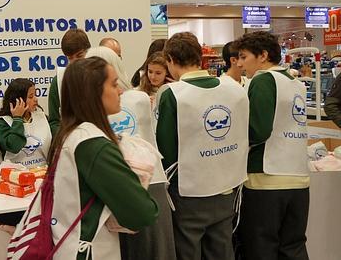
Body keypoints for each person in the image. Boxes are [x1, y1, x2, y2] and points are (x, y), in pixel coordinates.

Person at [48, 56, 159, 259]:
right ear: (94, 92)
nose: (121, 91)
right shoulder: (93, 144)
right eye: (114, 84)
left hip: (68, 244)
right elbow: (142, 213)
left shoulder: (71, 133)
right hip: (90, 250)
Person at [156, 32, 249, 260]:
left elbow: (165, 151)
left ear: (169, 60)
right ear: (200, 57)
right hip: (228, 187)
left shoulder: (173, 95)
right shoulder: (234, 89)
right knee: (222, 249)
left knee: (187, 251)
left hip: (189, 193)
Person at [88, 43, 175, 260]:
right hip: (146, 180)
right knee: (155, 249)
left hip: (120, 184)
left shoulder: (134, 98)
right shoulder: (139, 98)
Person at [235, 31, 310, 260]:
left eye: (244, 57)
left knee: (261, 247)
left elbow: (258, 130)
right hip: (298, 178)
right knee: (293, 246)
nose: (240, 64)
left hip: (266, 179)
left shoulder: (263, 80)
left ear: (263, 55)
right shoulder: (295, 83)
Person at [0, 78, 51, 167]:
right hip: (14, 174)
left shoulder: (42, 118)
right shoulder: (2, 122)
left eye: (35, 95)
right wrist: (17, 118)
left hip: (42, 172)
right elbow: (14, 146)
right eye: (31, 97)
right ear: (18, 100)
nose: (36, 99)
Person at [48, 28, 91, 137]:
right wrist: (66, 138)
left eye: (79, 56)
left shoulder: (100, 77)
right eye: (70, 58)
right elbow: (54, 122)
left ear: (88, 51)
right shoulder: (58, 81)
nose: (75, 61)